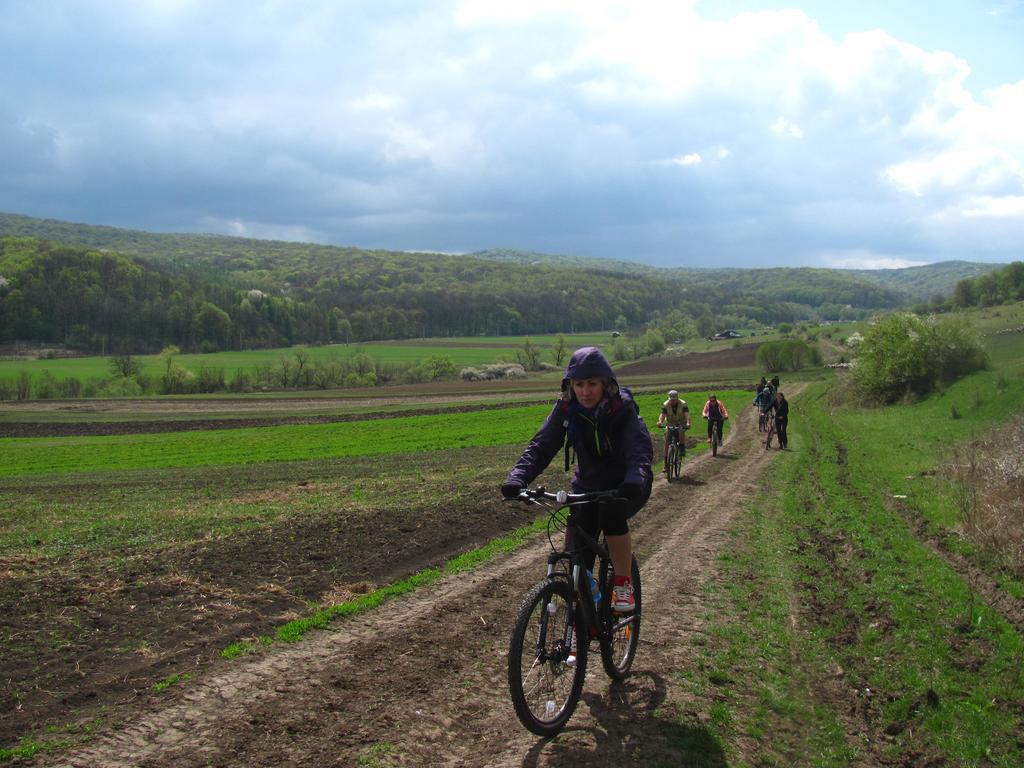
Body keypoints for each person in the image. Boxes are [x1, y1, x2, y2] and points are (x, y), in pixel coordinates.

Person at [501, 346, 653, 613]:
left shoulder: (622, 408)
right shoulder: (567, 410)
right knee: (576, 552)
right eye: (579, 384)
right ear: (570, 385)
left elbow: (638, 449)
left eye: (592, 384)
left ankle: (622, 582)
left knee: (611, 513)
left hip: (626, 484)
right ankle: (583, 620)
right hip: (587, 486)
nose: (585, 391)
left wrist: (634, 479)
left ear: (606, 384)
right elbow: (542, 445)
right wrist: (518, 478)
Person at [656, 389, 691, 470]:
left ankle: (681, 447)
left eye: (674, 400)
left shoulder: (683, 404)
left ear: (677, 398)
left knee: (681, 430)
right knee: (667, 442)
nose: (673, 401)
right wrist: (660, 422)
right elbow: (663, 414)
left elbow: (687, 415)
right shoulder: (666, 404)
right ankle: (666, 464)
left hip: (681, 421)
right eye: (671, 400)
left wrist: (688, 423)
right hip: (670, 422)